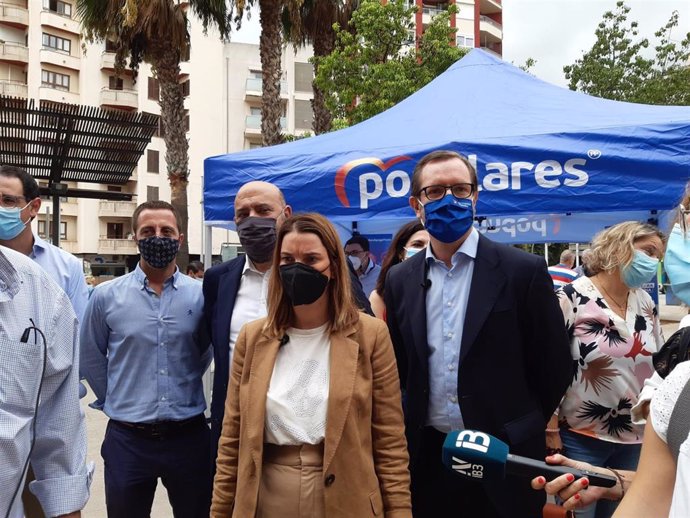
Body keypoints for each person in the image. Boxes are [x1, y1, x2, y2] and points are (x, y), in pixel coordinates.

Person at [384, 149, 573, 518]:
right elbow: (401, 366)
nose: (449, 199)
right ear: (416, 204)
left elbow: (555, 364)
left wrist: (525, 425)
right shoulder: (400, 280)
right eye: (435, 191)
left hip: (505, 453)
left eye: (459, 189)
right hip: (430, 455)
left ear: (475, 196)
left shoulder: (523, 270)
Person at [210, 213, 412, 518]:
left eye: (311, 258)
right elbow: (231, 441)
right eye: (287, 258)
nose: (297, 268)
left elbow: (390, 443)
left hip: (349, 497)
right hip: (267, 498)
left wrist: (400, 513)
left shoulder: (371, 335)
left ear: (333, 266)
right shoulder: (253, 339)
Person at [202, 181, 372, 465]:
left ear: (286, 213)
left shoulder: (323, 273)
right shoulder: (217, 280)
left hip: (312, 433)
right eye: (243, 213)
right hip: (237, 428)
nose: (252, 219)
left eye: (263, 210)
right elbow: (212, 344)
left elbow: (361, 340)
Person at [80, 200, 212, 517]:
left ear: (180, 238)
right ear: (135, 237)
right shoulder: (105, 296)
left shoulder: (202, 295)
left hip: (189, 438)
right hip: (128, 440)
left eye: (166, 230)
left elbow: (204, 352)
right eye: (148, 231)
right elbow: (91, 355)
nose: (157, 236)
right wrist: (117, 397)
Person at [548, 221, 665, 518]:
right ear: (619, 245)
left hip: (636, 438)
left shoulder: (645, 301)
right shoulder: (571, 297)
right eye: (648, 252)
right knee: (578, 512)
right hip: (581, 436)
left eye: (658, 256)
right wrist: (549, 426)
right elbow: (545, 364)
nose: (654, 262)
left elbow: (661, 360)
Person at [1, 165, 90, 516]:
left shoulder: (55, 278)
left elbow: (74, 356)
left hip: (37, 427)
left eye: (8, 201)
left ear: (33, 207)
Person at [369, 221, 429, 319]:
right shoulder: (380, 297)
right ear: (401, 252)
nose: (425, 251)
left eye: (431, 246)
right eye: (417, 245)